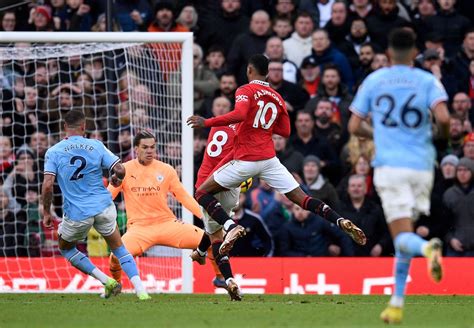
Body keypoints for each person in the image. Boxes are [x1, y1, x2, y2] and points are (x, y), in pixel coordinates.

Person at [187, 54, 366, 257]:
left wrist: (207, 122)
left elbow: (240, 114)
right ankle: (338, 220)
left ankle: (230, 225)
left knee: (201, 193)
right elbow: (286, 131)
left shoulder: (245, 90)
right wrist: (263, 126)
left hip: (246, 159)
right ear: (267, 73)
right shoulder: (277, 96)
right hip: (269, 160)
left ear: (249, 70)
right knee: (302, 198)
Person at [347, 28, 450, 324]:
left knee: (403, 237)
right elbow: (443, 118)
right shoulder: (427, 80)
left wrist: (377, 132)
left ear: (389, 54)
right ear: (415, 52)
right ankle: (396, 303)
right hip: (422, 166)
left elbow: (354, 126)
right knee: (405, 231)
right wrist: (440, 137)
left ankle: (427, 247)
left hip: (391, 166)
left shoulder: (375, 80)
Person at [41, 110, 150, 300]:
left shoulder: (54, 151)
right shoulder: (96, 146)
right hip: (104, 207)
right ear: (84, 127)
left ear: (65, 127)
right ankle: (141, 292)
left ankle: (107, 281)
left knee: (66, 248)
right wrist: (116, 180)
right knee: (119, 248)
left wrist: (46, 212)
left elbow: (48, 186)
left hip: (77, 212)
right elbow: (120, 169)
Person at [106, 130, 226, 294]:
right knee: (115, 257)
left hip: (167, 224)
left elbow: (184, 197)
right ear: (136, 149)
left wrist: (207, 217)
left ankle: (220, 278)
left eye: (152, 147)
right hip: (139, 229)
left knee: (212, 240)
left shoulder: (167, 170)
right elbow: (107, 198)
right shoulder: (124, 170)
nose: (149, 151)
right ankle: (116, 285)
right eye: (145, 147)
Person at [191, 105, 242, 300]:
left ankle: (227, 280)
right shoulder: (241, 128)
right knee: (213, 227)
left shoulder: (214, 125)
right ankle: (200, 252)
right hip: (232, 185)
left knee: (216, 235)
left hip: (209, 181)